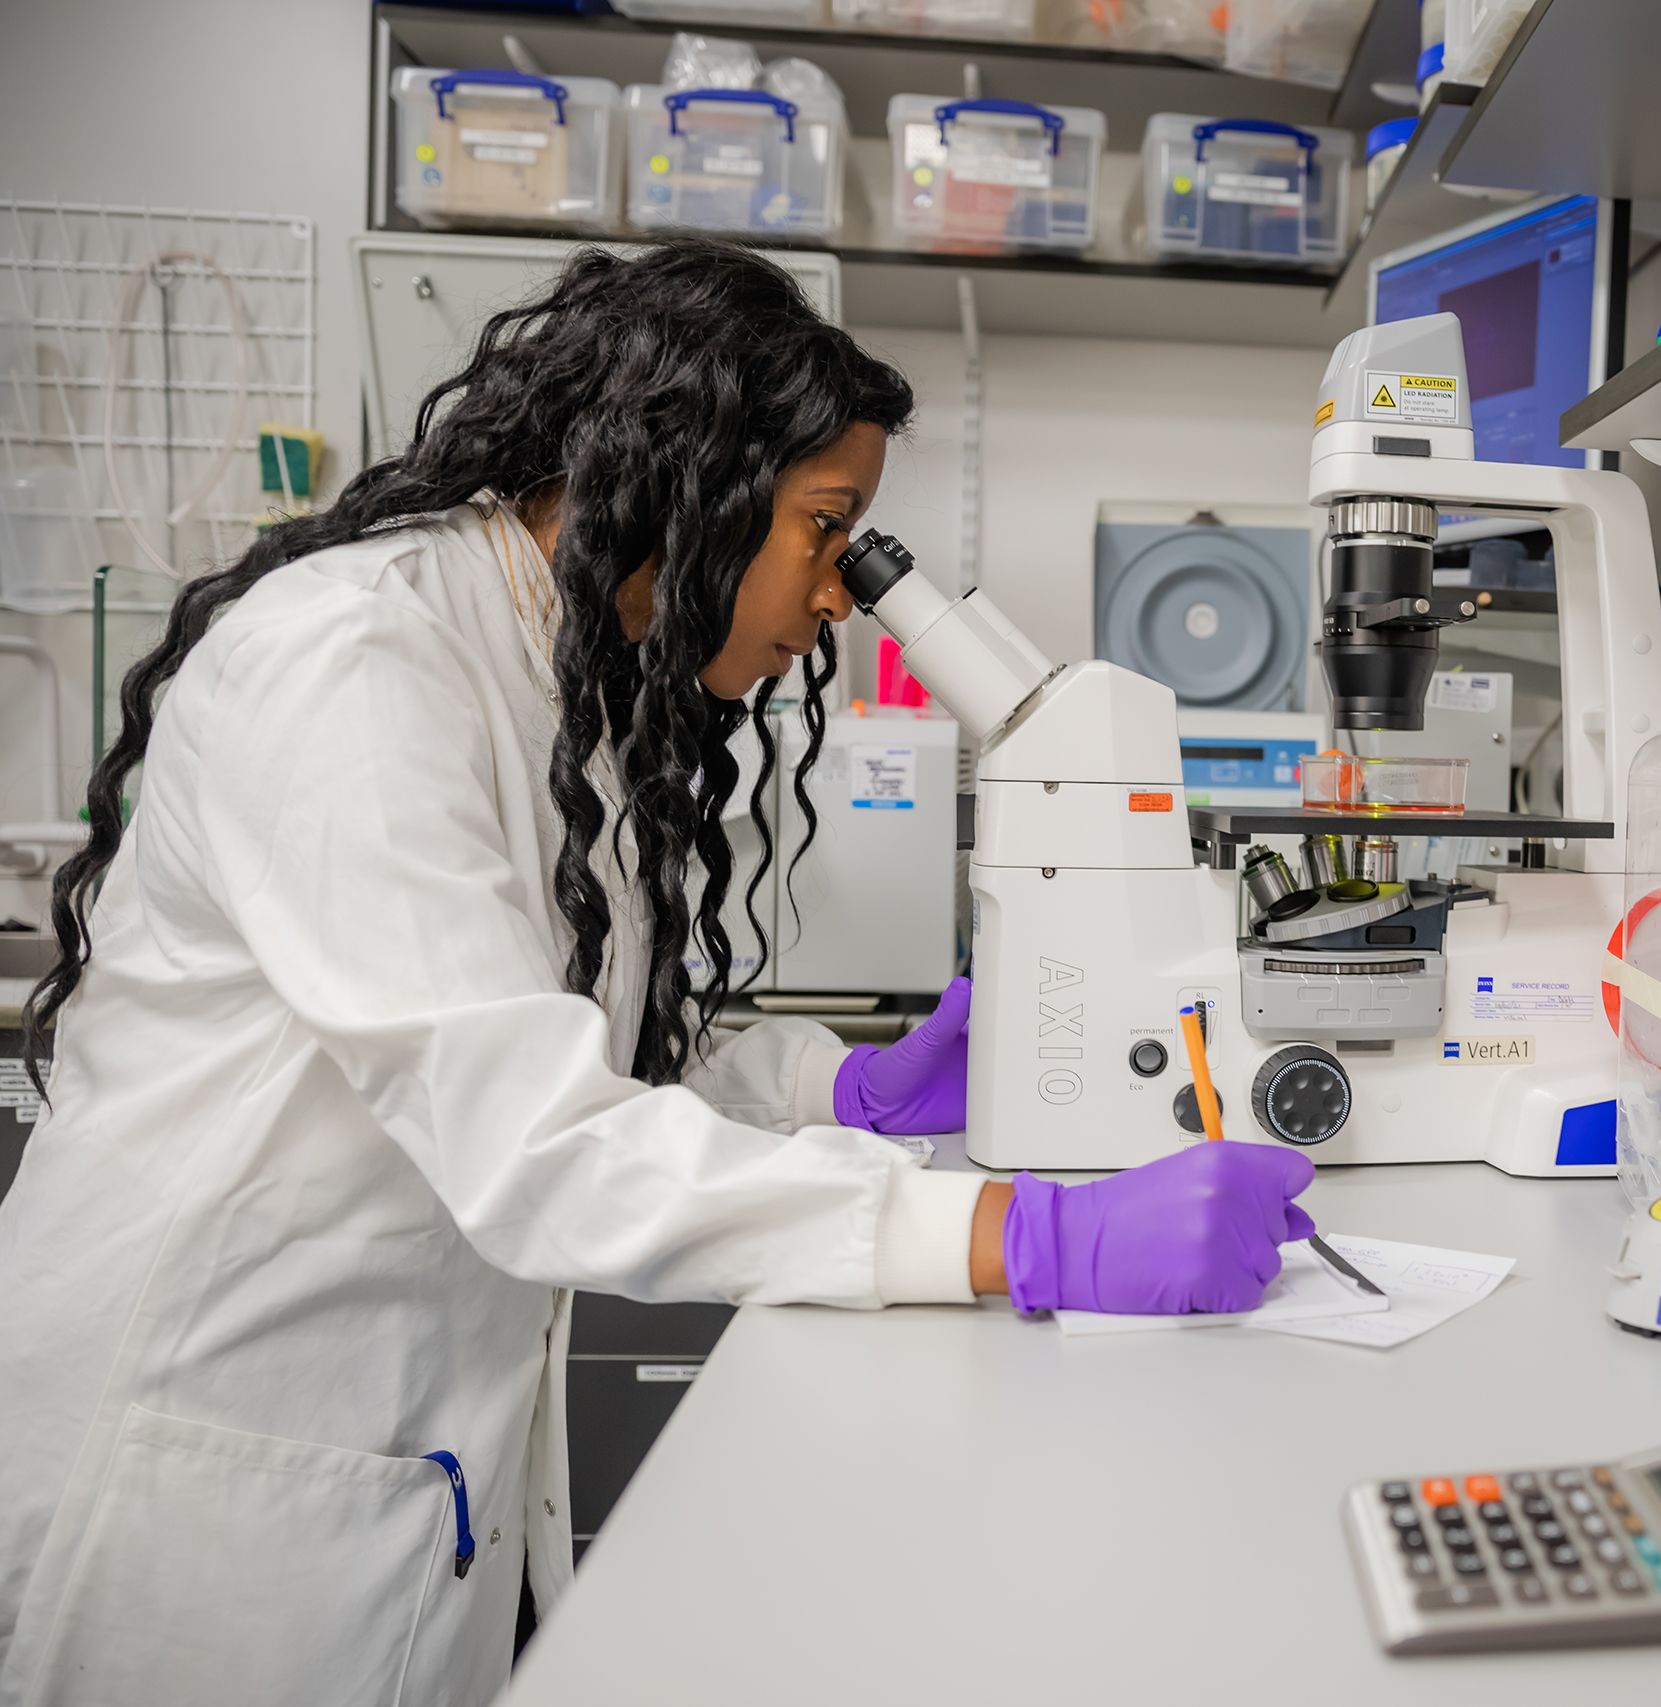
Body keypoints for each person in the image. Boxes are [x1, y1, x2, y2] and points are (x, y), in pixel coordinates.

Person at [0, 241, 1315, 1707]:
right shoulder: (355, 662)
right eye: (829, 530)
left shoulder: (569, 681)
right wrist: (1024, 1237)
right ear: (688, 474)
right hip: (194, 1456)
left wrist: (846, 1086)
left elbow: (595, 1061)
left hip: (378, 1457)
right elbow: (539, 1143)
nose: (837, 599)